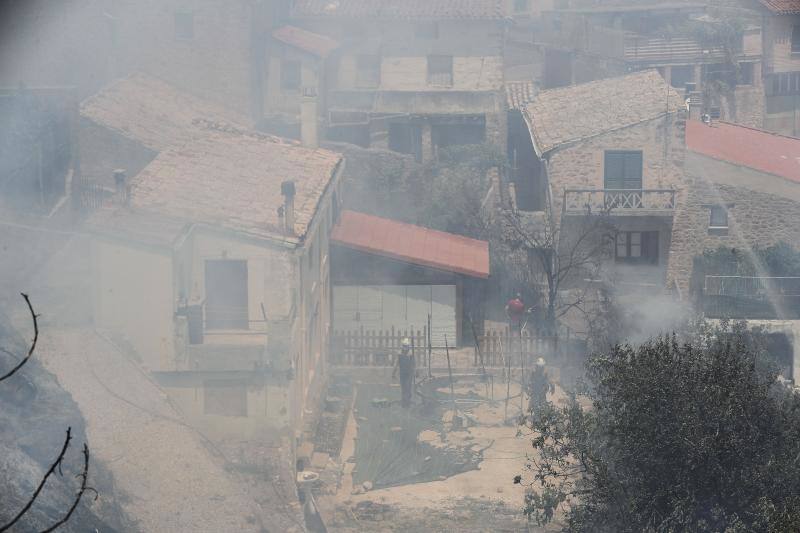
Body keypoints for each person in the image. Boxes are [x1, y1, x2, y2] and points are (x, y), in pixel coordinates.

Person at [392, 338, 415, 408]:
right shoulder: (399, 354)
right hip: (402, 373)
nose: (405, 348)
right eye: (404, 346)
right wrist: (393, 372)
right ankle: (404, 402)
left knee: (408, 387)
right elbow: (396, 364)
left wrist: (416, 372)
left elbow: (414, 363)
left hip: (409, 374)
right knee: (403, 388)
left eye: (406, 346)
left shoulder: (411, 354)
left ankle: (407, 402)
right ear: (402, 346)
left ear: (408, 346)